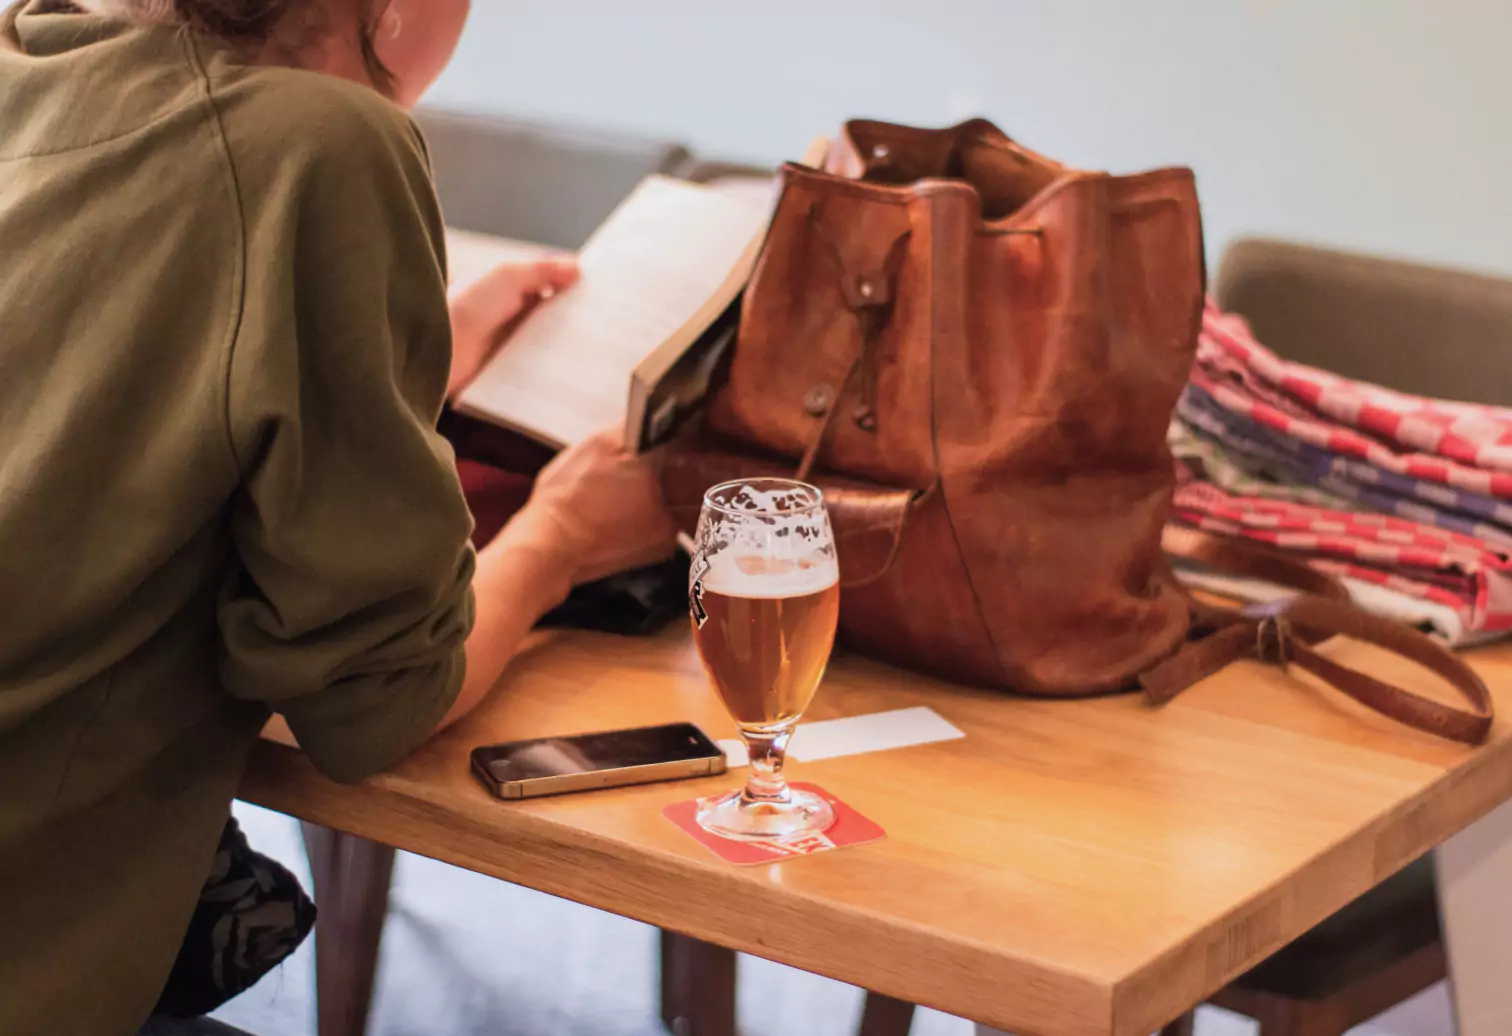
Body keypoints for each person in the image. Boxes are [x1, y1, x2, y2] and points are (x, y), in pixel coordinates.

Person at [0, 1, 677, 1033]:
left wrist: (398, 355)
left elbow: (96, 397)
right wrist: (562, 536)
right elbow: (376, 703)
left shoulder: (32, 49)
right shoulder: (324, 142)